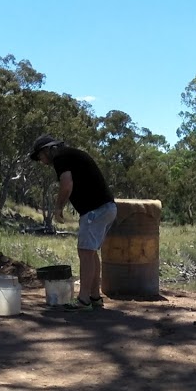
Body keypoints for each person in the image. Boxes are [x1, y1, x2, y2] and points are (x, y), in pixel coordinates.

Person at [29, 133, 118, 310]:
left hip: (95, 210)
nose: (41, 160)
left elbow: (66, 184)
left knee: (85, 252)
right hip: (107, 208)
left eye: (40, 155)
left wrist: (58, 208)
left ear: (49, 150)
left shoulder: (61, 158)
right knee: (90, 253)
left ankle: (83, 300)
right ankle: (94, 297)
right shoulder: (70, 155)